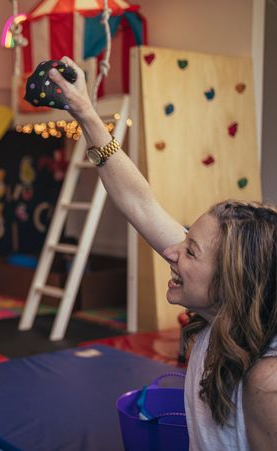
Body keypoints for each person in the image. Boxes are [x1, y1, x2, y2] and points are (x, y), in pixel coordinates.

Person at [48, 56, 277, 450]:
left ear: (233, 281)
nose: (171, 251)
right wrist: (86, 113)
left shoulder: (265, 382)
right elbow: (139, 202)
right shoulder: (220, 318)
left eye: (191, 251)